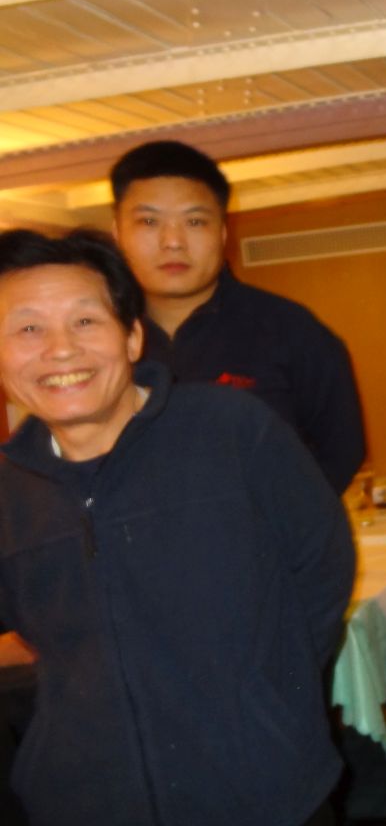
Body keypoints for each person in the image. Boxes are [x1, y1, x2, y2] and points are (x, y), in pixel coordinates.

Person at [0, 228, 354, 826]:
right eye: (28, 328)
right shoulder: (9, 491)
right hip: (86, 802)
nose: (60, 350)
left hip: (261, 791)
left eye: (85, 321)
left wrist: (265, 698)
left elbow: (323, 569)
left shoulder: (232, 431)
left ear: (132, 336)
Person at [110, 140, 365, 493]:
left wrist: (286, 518)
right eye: (149, 221)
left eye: (195, 221)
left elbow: (341, 451)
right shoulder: (95, 338)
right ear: (117, 232)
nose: (173, 241)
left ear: (223, 232)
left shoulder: (290, 330)